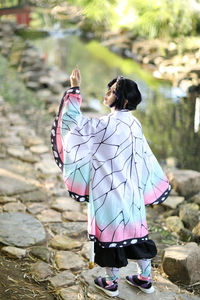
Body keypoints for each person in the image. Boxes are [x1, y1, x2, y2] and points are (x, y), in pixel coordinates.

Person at [51, 65, 171, 297]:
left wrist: (75, 89)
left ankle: (111, 283)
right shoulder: (134, 124)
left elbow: (75, 125)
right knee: (135, 235)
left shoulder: (105, 125)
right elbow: (145, 158)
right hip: (131, 191)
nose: (107, 94)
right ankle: (145, 279)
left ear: (124, 101)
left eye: (113, 90)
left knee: (111, 237)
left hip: (107, 192)